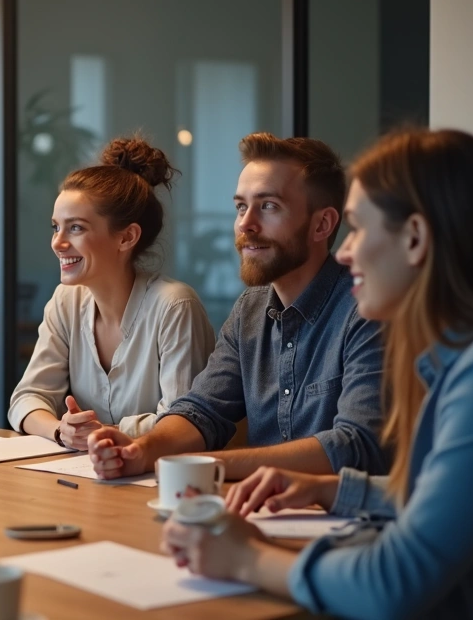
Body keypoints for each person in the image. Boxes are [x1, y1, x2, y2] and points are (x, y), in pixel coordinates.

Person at [162, 129, 473, 619]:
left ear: (415, 238)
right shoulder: (469, 354)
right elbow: (442, 499)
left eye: (358, 228)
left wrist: (245, 558)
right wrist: (330, 489)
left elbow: (391, 585)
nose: (344, 252)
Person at [90, 133, 387, 480]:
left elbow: (355, 446)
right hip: (257, 505)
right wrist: (141, 450)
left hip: (341, 510)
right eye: (241, 207)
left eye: (269, 206)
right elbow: (201, 410)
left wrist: (206, 466)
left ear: (321, 224)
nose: (245, 224)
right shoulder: (251, 309)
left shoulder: (368, 309)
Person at [9, 137, 215, 450]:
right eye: (55, 227)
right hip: (85, 471)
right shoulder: (66, 301)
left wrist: (102, 432)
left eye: (75, 228)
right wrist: (61, 430)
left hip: (160, 474)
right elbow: (27, 398)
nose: (58, 243)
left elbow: (184, 423)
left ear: (127, 237)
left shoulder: (175, 306)